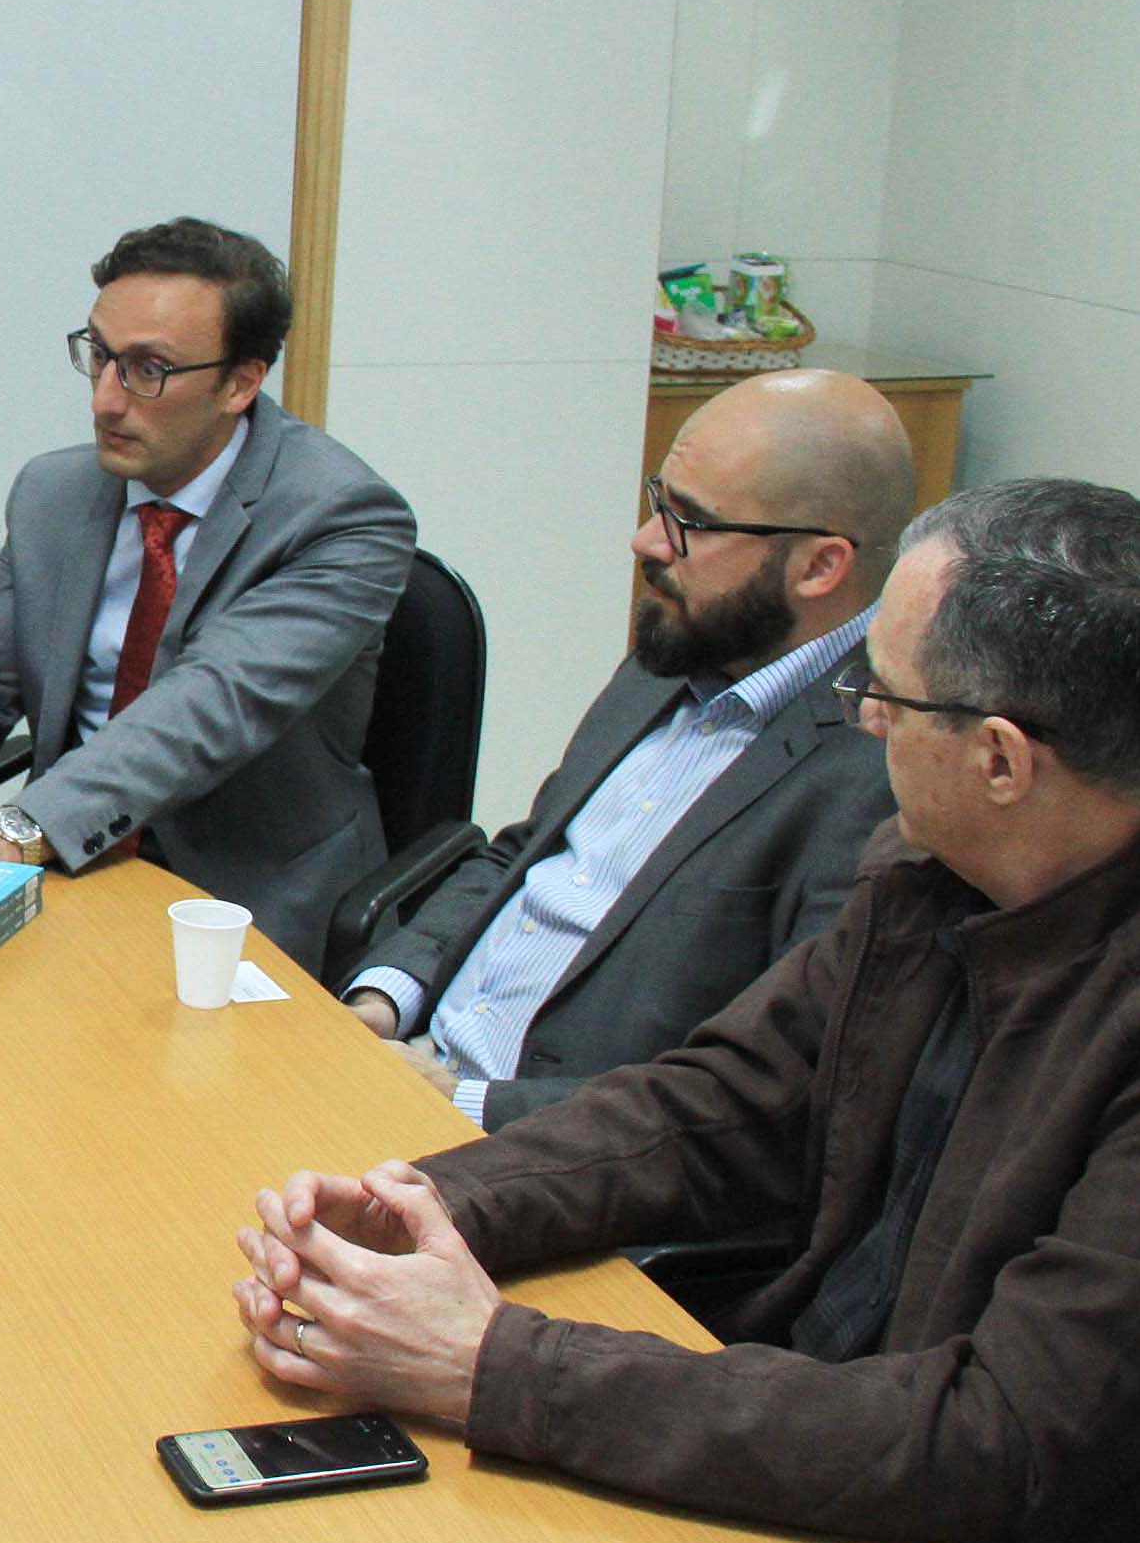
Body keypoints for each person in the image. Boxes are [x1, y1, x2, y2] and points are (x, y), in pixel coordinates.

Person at [230, 478, 1140, 1543]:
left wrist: (491, 1364)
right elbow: (718, 1106)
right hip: (804, 1453)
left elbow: (989, 1439)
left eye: (883, 694)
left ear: (1003, 762)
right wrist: (428, 1199)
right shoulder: (930, 876)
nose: (859, 721)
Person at [339, 369, 908, 1129]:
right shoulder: (678, 646)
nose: (645, 541)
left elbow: (770, 1096)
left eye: (691, 524)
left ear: (819, 566)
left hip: (539, 1154)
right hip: (407, 1062)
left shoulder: (880, 769)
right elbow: (523, 853)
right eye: (657, 503)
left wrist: (466, 1103)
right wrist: (385, 995)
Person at [0, 218, 415, 974]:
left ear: (241, 382)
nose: (108, 401)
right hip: (71, 871)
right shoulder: (54, 491)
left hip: (246, 901)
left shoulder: (340, 515)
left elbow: (207, 707)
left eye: (150, 369)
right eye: (100, 357)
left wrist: (21, 827)